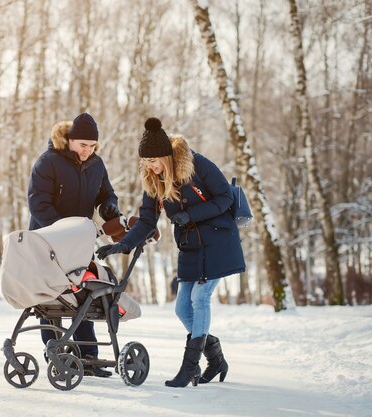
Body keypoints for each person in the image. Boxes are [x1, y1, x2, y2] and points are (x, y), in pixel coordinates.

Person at [97, 117, 245, 387]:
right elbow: (146, 220)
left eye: (154, 160)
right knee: (181, 309)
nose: (151, 166)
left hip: (217, 241)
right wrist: (123, 245)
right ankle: (215, 357)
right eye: (146, 161)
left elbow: (225, 197)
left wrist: (191, 214)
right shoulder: (154, 180)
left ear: (166, 154)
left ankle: (189, 368)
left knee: (200, 299)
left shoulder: (195, 163)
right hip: (190, 246)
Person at [28, 112, 121, 378]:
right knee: (52, 297)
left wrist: (109, 206)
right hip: (48, 239)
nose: (87, 150)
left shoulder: (96, 164)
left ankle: (88, 356)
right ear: (69, 140)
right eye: (83, 145)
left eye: (92, 146)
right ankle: (56, 352)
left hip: (79, 242)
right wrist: (61, 231)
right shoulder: (48, 163)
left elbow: (107, 194)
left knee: (83, 296)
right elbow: (38, 203)